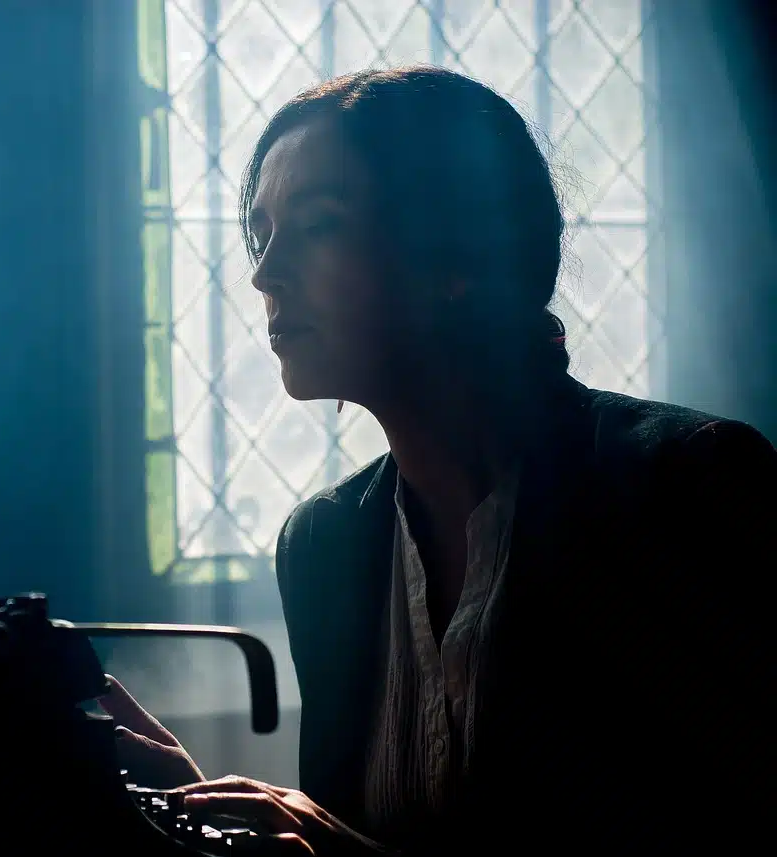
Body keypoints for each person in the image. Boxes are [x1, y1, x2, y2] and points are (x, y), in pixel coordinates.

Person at [101, 66, 775, 855]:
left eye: (317, 226)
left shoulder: (683, 486)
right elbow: (343, 842)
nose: (264, 272)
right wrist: (209, 811)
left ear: (455, 253)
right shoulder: (324, 546)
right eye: (262, 233)